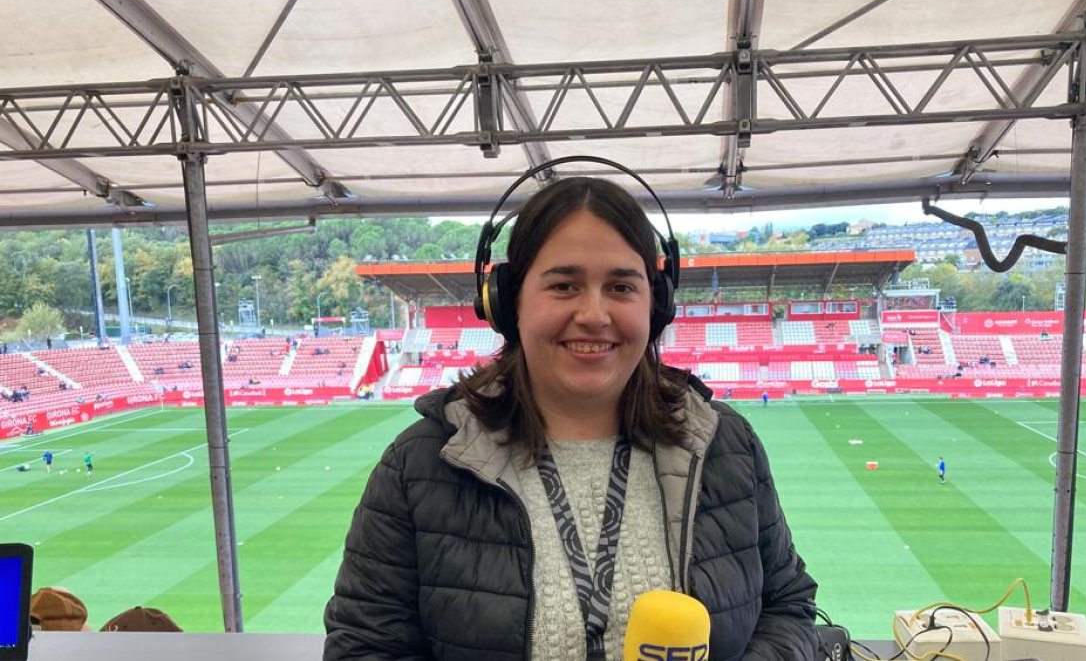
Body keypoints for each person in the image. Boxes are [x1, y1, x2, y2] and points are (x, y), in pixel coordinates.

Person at [325, 176, 819, 660]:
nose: (594, 315)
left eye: (622, 287)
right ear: (507, 301)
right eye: (564, 285)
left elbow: (788, 607)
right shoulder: (420, 465)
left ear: (658, 304)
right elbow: (364, 646)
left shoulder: (725, 445)